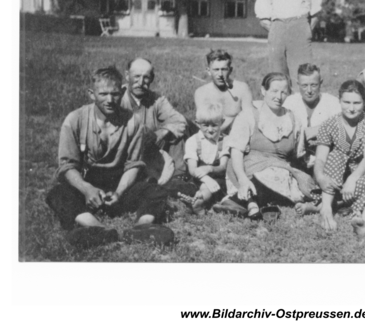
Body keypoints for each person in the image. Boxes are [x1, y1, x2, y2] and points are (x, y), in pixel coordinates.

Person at [45, 67, 173, 248]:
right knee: (58, 193)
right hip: (87, 185)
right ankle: (97, 229)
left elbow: (134, 164)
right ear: (91, 94)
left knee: (154, 190)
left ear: (122, 92)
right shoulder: (75, 119)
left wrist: (119, 192)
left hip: (120, 184)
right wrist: (86, 189)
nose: (110, 100)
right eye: (103, 94)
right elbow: (67, 166)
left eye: (114, 94)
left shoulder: (133, 122)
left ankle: (142, 228)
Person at [224, 72, 318, 219]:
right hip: (249, 167)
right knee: (267, 177)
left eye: (283, 92)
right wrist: (242, 178)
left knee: (300, 189)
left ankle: (246, 202)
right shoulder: (249, 115)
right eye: (274, 91)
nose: (278, 97)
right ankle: (247, 198)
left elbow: (299, 155)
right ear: (263, 91)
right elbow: (236, 152)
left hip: (280, 168)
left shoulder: (293, 119)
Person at [313, 80, 365, 231]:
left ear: (364, 101)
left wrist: (352, 179)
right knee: (336, 155)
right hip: (336, 174)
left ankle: (354, 210)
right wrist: (320, 177)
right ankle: (327, 209)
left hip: (361, 172)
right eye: (346, 102)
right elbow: (321, 158)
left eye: (357, 103)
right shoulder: (329, 124)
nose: (351, 108)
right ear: (339, 101)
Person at [121, 57, 188, 183]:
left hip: (149, 151)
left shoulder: (156, 99)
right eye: (136, 76)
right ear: (127, 75)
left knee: (176, 132)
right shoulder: (116, 96)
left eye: (146, 77)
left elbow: (180, 122)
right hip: (123, 154)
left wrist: (159, 134)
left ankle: (177, 179)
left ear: (152, 78)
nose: (140, 82)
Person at [283, 63, 341, 171]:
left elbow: (343, 126)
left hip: (325, 162)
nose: (309, 91)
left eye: (313, 85)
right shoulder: (290, 102)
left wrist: (316, 131)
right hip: (295, 162)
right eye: (304, 85)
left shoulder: (332, 102)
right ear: (297, 84)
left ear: (321, 83)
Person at [181, 103, 230, 213]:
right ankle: (199, 199)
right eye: (205, 125)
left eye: (214, 125)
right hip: (197, 178)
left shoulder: (225, 141)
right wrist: (207, 179)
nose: (210, 129)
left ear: (222, 122)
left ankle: (201, 199)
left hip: (219, 179)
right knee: (195, 186)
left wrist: (210, 169)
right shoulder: (193, 141)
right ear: (197, 124)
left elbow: (223, 166)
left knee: (210, 187)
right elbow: (192, 169)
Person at [194, 49, 253, 136]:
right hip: (211, 136)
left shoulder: (242, 88)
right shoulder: (201, 92)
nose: (220, 74)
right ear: (208, 71)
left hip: (236, 136)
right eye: (216, 69)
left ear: (230, 70)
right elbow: (202, 123)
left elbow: (250, 118)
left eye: (224, 69)